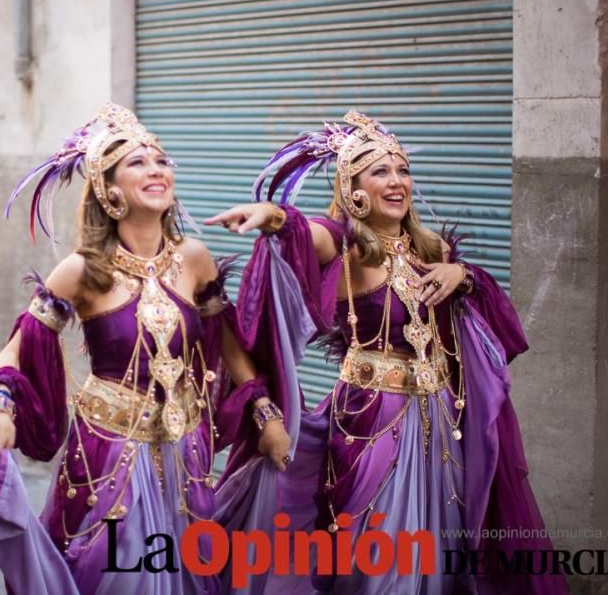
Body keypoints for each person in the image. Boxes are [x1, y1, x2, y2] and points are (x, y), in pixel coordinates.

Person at [207, 110, 569, 594]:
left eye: (403, 170)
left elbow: (487, 321)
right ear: (353, 189)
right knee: (377, 549)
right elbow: (307, 232)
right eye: (380, 171)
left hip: (441, 423)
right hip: (371, 422)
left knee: (439, 550)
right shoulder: (347, 248)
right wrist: (273, 217)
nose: (397, 181)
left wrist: (463, 276)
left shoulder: (433, 248)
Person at [0, 103, 292, 594]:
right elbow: (16, 349)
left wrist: (264, 409)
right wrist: (1, 407)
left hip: (185, 451)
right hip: (108, 452)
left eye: (161, 160)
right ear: (109, 189)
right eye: (138, 163)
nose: (156, 170)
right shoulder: (83, 271)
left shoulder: (194, 259)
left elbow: (227, 342)